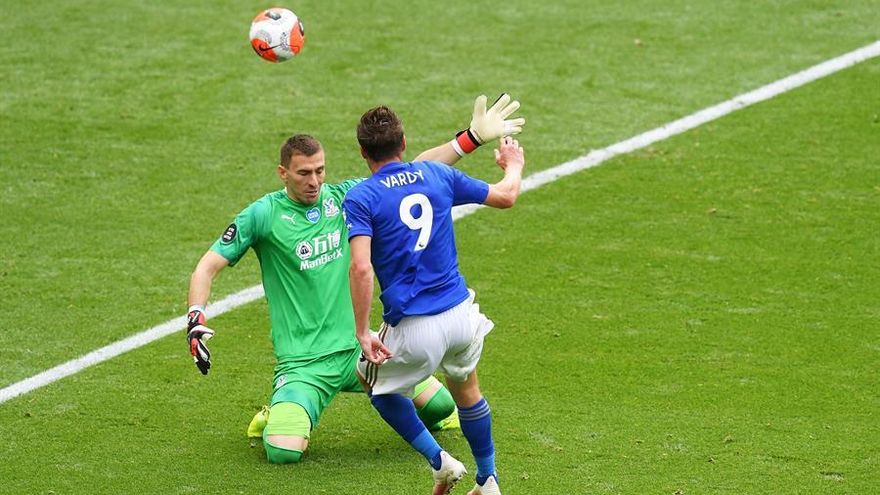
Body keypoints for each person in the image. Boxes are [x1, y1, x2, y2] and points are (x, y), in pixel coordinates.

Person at [184, 94, 524, 466]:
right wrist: (195, 317)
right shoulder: (263, 215)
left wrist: (470, 138)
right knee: (283, 451)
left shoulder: (345, 199)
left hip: (361, 349)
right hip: (304, 363)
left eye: (320, 171)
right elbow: (206, 267)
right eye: (303, 173)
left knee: (441, 408)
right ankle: (279, 409)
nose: (314, 181)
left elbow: (410, 172)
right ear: (283, 173)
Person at [344, 102, 525, 495]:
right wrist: (513, 164)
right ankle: (488, 478)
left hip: (414, 326)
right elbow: (506, 196)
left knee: (371, 382)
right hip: (461, 315)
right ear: (403, 143)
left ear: (362, 152)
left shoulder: (361, 197)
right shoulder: (436, 174)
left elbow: (360, 268)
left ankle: (440, 462)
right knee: (467, 389)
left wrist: (362, 331)